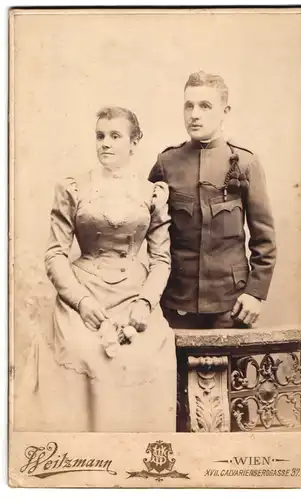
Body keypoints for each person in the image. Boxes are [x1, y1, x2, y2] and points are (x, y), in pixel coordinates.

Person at [18, 106, 176, 432]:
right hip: (82, 295)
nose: (105, 143)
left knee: (144, 355)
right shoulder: (74, 187)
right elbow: (54, 254)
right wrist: (81, 302)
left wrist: (145, 303)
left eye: (115, 136)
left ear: (134, 142)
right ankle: (83, 458)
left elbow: (161, 259)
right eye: (100, 136)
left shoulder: (152, 193)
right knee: (81, 349)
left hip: (134, 296)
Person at [149, 72, 276, 329]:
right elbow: (143, 229)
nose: (194, 114)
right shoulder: (166, 163)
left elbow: (265, 240)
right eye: (189, 105)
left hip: (231, 306)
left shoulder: (246, 163)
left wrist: (255, 293)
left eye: (205, 106)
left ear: (224, 111)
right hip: (174, 304)